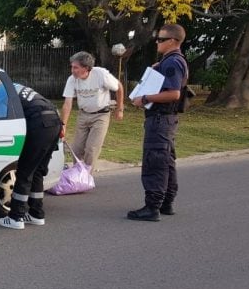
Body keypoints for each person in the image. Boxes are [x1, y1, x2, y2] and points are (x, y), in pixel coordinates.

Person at [127, 24, 188, 222]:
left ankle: (152, 206)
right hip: (166, 119)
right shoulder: (171, 61)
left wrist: (144, 99)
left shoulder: (172, 62)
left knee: (155, 161)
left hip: (160, 119)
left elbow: (173, 93)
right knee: (166, 160)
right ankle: (166, 202)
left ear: (172, 41)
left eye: (161, 39)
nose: (157, 42)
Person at [0, 84, 63, 230]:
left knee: (25, 171)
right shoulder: (15, 85)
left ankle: (16, 217)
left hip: (39, 123)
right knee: (38, 171)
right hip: (54, 122)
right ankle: (36, 214)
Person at [60, 51, 124, 171]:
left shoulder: (100, 74)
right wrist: (63, 125)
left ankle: (86, 177)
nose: (72, 70)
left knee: (91, 149)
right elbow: (67, 104)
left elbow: (119, 87)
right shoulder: (72, 79)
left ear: (86, 68)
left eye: (76, 67)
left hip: (101, 115)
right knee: (77, 148)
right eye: (72, 67)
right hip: (83, 115)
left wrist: (120, 109)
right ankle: (77, 174)